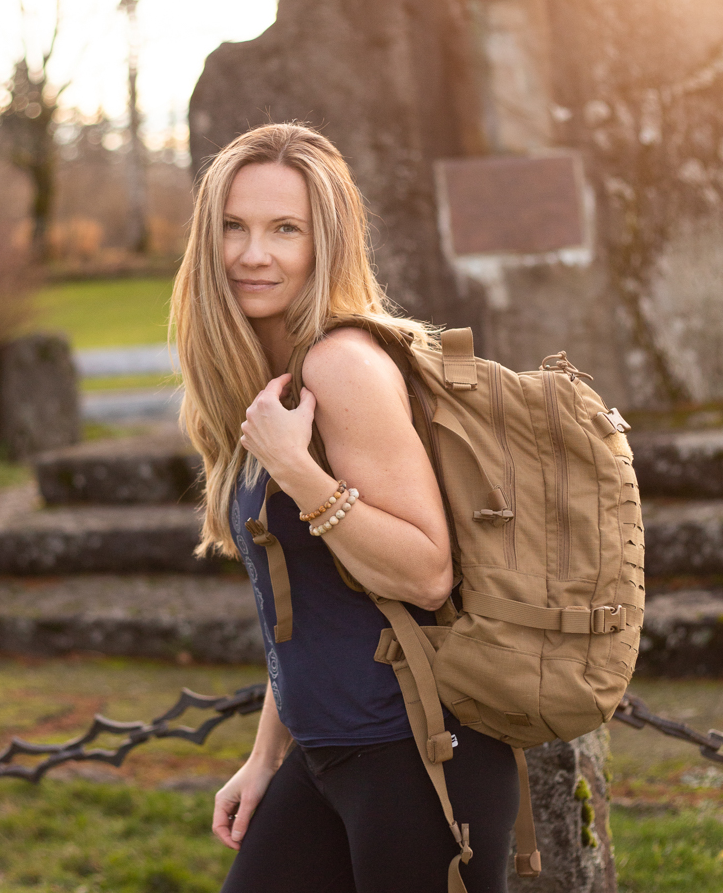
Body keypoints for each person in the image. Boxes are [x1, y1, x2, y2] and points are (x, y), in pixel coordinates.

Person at [170, 123, 519, 893]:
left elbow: (427, 573)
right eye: (234, 226)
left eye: (283, 229)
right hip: (328, 755)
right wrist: (265, 759)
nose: (253, 253)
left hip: (421, 753)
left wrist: (297, 468)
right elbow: (309, 603)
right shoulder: (266, 377)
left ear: (322, 242)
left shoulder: (342, 364)